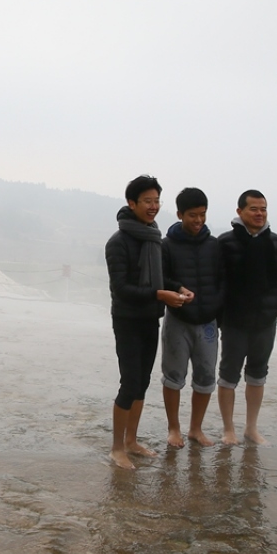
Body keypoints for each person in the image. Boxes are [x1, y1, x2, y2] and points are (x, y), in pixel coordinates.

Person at [105, 176, 193, 470]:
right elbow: (122, 288)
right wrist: (159, 294)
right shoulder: (119, 242)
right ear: (132, 203)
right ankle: (117, 448)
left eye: (157, 201)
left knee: (142, 383)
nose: (154, 206)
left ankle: (132, 441)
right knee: (129, 383)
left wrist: (177, 287)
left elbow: (158, 279)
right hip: (127, 320)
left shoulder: (152, 236)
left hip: (149, 319)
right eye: (147, 201)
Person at [216, 189, 277, 446]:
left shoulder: (274, 241)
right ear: (240, 212)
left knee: (258, 374)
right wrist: (220, 315)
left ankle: (251, 428)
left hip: (265, 321)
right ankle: (228, 430)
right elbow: (218, 282)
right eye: (254, 209)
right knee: (228, 375)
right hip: (235, 322)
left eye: (263, 209)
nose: (260, 214)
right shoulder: (225, 242)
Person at [160, 187, 226, 448]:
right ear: (179, 214)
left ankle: (195, 429)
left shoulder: (214, 245)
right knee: (173, 377)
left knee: (206, 378)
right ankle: (174, 429)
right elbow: (161, 279)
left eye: (202, 214)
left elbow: (223, 280)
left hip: (208, 322)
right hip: (178, 320)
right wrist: (177, 288)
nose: (198, 221)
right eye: (192, 215)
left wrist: (216, 308)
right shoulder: (166, 245)